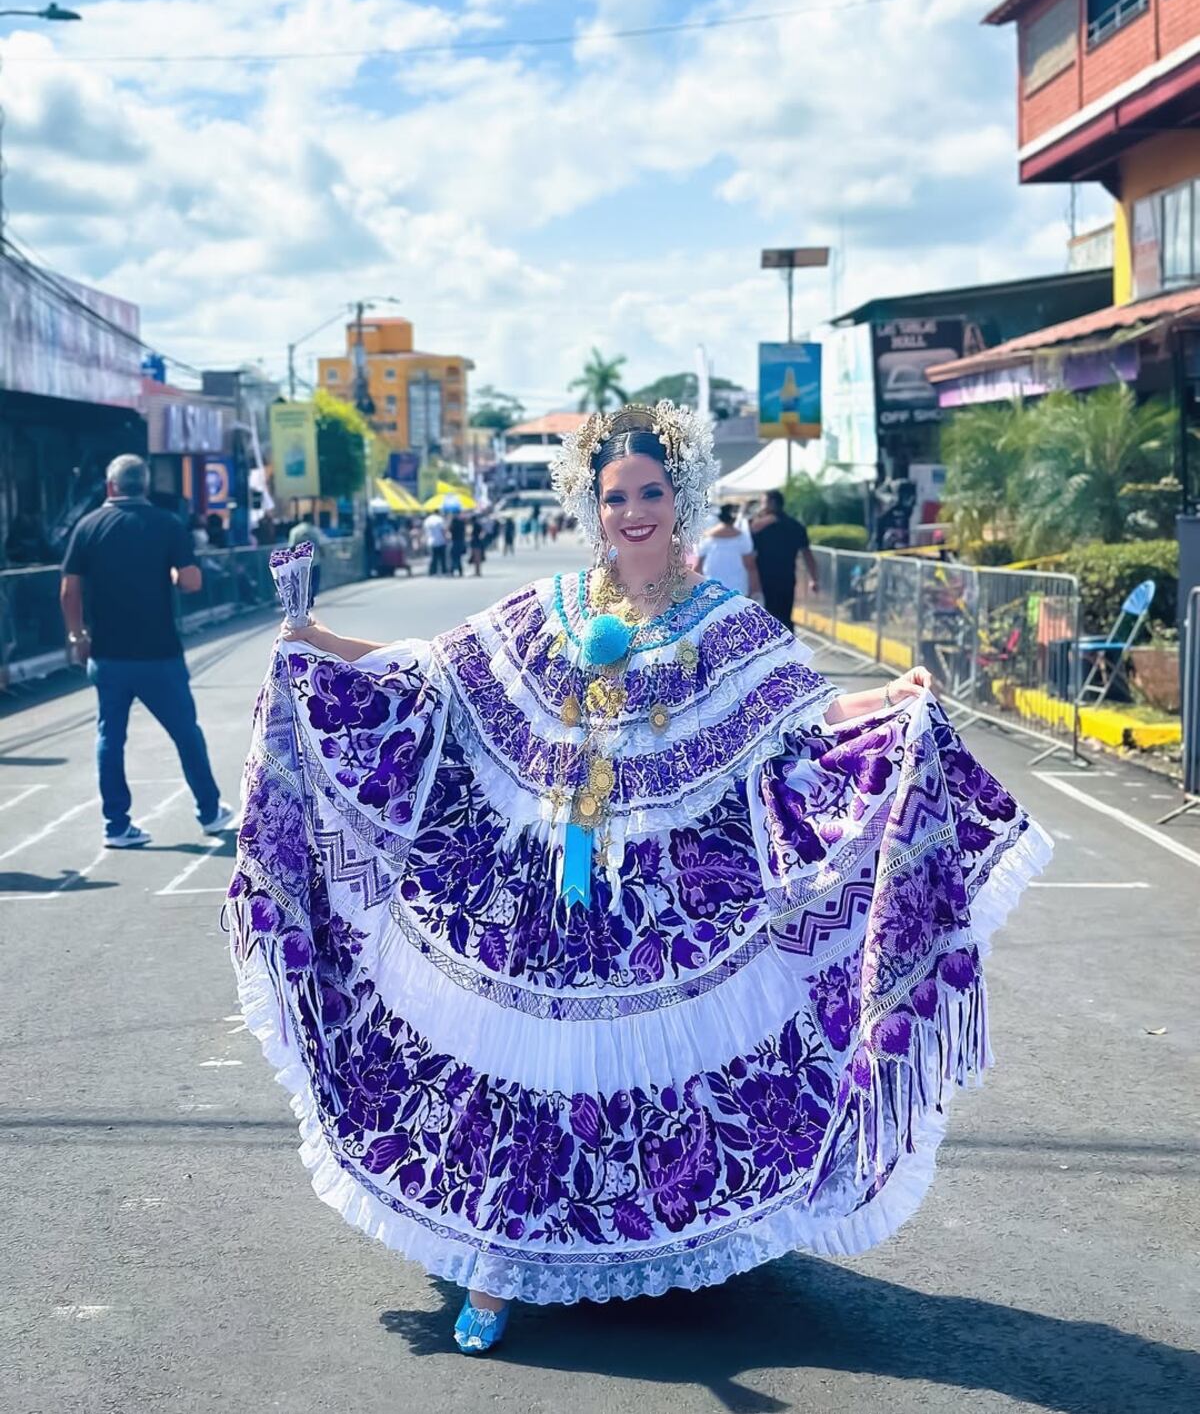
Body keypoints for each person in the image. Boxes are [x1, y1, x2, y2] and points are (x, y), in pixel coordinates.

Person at [228, 401, 1048, 1356]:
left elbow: (808, 719)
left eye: (652, 492)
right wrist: (317, 644)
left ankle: (650, 1236)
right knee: (524, 1064)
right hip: (537, 896)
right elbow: (429, 680)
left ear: (683, 497)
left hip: (666, 906)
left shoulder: (724, 623)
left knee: (644, 1069)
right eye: (615, 495)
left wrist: (893, 701)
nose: (633, 512)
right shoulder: (547, 609)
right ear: (590, 504)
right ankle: (499, 1264)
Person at [61, 455, 235, 849]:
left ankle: (116, 824)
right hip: (159, 653)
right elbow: (190, 581)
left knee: (110, 737)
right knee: (186, 733)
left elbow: (69, 590)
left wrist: (77, 636)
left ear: (111, 487)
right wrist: (173, 574)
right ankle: (209, 811)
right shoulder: (166, 524)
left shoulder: (87, 527)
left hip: (107, 653)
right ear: (145, 486)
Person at [751, 489, 818, 633]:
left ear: (772, 503)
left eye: (763, 503)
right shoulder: (795, 526)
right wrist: (814, 578)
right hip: (787, 578)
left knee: (765, 616)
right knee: (785, 615)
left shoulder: (758, 527)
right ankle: (787, 649)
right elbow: (807, 554)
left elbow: (748, 554)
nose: (761, 507)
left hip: (763, 579)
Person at [698, 502, 757, 596]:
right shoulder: (742, 538)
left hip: (712, 590)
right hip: (738, 589)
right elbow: (751, 567)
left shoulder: (707, 538)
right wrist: (754, 589)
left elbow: (698, 567)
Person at [288, 513, 322, 599]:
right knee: (314, 581)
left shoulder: (295, 531)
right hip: (314, 560)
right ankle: (311, 596)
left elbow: (291, 546)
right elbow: (320, 545)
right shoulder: (315, 531)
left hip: (300, 561)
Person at [423, 510, 447, 576]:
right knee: (442, 558)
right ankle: (443, 571)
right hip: (440, 540)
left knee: (433, 558)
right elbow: (443, 530)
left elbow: (425, 531)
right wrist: (446, 539)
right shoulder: (440, 520)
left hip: (430, 541)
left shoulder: (427, 520)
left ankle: (432, 572)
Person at [448, 511, 467, 577]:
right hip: (461, 541)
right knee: (459, 557)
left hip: (454, 541)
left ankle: (452, 571)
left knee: (453, 557)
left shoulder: (453, 524)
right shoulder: (462, 523)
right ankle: (460, 571)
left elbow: (449, 531)